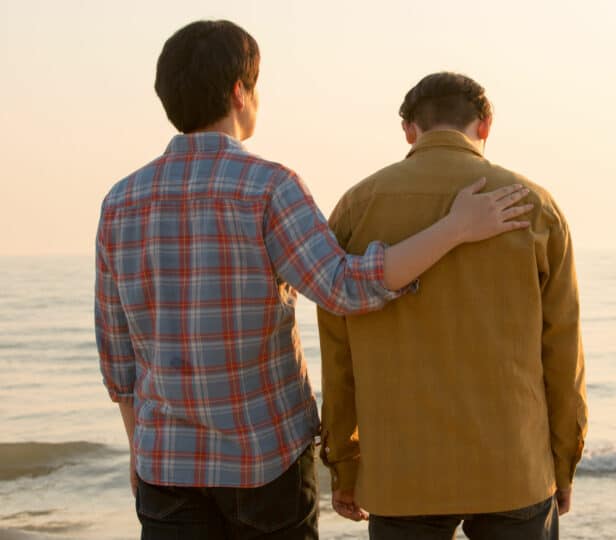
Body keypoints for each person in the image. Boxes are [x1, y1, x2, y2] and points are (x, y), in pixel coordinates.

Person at [94, 23, 532, 540]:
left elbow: (118, 359)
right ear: (239, 92)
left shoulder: (121, 202)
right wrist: (455, 229)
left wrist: (137, 455)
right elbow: (345, 287)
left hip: (164, 467)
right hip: (267, 463)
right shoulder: (266, 188)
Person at [318, 72, 588, 540]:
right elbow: (563, 355)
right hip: (513, 467)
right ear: (485, 125)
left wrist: (345, 462)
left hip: (401, 472)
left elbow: (338, 353)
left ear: (408, 129)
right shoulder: (536, 208)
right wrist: (562, 462)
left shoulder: (357, 207)